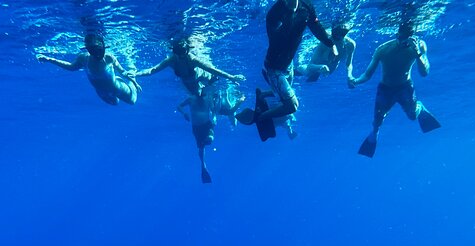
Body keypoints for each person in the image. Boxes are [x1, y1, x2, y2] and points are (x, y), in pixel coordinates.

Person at [239, 0, 337, 133]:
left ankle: (263, 94)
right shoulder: (274, 13)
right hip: (274, 68)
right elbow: (277, 41)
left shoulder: (306, 6)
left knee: (284, 94)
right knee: (292, 106)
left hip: (289, 64)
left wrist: (330, 43)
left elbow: (315, 25)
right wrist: (291, 13)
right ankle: (261, 117)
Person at [349, 21, 441, 157]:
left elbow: (424, 72)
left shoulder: (419, 46)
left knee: (413, 116)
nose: (404, 43)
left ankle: (419, 107)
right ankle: (373, 135)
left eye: (407, 39)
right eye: (401, 38)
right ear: (397, 34)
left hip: (405, 87)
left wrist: (417, 54)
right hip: (385, 89)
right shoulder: (383, 49)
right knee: (377, 123)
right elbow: (368, 74)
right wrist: (356, 81)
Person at [37, 34, 140, 105]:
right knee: (115, 103)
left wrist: (133, 82)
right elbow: (71, 67)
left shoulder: (109, 57)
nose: (98, 54)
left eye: (100, 50)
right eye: (94, 51)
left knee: (132, 101)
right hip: (101, 91)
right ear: (88, 50)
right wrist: (49, 59)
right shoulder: (84, 58)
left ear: (104, 46)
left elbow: (122, 71)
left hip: (116, 87)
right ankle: (118, 81)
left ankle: (132, 71)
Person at [177, 87, 245, 183]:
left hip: (207, 124)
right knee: (201, 148)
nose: (200, 91)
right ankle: (203, 165)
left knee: (209, 139)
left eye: (202, 89)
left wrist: (214, 116)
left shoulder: (208, 98)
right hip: (196, 128)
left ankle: (208, 139)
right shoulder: (191, 98)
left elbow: (214, 110)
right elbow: (179, 106)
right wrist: (184, 113)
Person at [133, 39, 245, 96]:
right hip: (188, 82)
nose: (182, 56)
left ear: (188, 50)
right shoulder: (171, 60)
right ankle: (206, 90)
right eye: (179, 53)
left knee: (211, 78)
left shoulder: (192, 59)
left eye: (184, 53)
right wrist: (136, 74)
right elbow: (153, 70)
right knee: (197, 95)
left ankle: (212, 84)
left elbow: (211, 69)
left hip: (202, 75)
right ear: (174, 52)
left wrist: (231, 77)